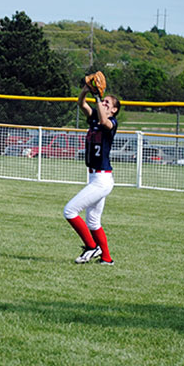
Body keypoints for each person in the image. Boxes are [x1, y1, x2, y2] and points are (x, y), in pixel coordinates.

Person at [63, 81, 121, 265]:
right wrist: (85, 91)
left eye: (107, 104)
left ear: (114, 111)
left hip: (102, 179)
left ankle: (91, 246)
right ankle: (106, 258)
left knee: (70, 211)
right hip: (94, 176)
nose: (104, 104)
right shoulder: (95, 117)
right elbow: (81, 104)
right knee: (93, 221)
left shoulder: (111, 122)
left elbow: (104, 121)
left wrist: (97, 97)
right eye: (103, 101)